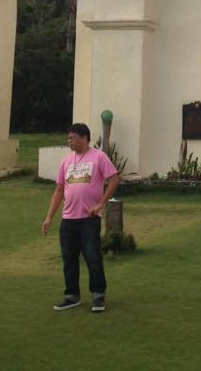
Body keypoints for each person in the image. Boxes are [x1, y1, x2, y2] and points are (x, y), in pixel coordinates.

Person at [42, 122, 119, 312]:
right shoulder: (66, 161)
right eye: (68, 138)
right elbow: (59, 189)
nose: (69, 141)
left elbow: (114, 179)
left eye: (72, 138)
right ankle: (72, 296)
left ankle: (98, 295)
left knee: (92, 257)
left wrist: (101, 203)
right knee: (69, 258)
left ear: (84, 138)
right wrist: (49, 217)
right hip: (68, 220)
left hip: (88, 219)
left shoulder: (99, 157)